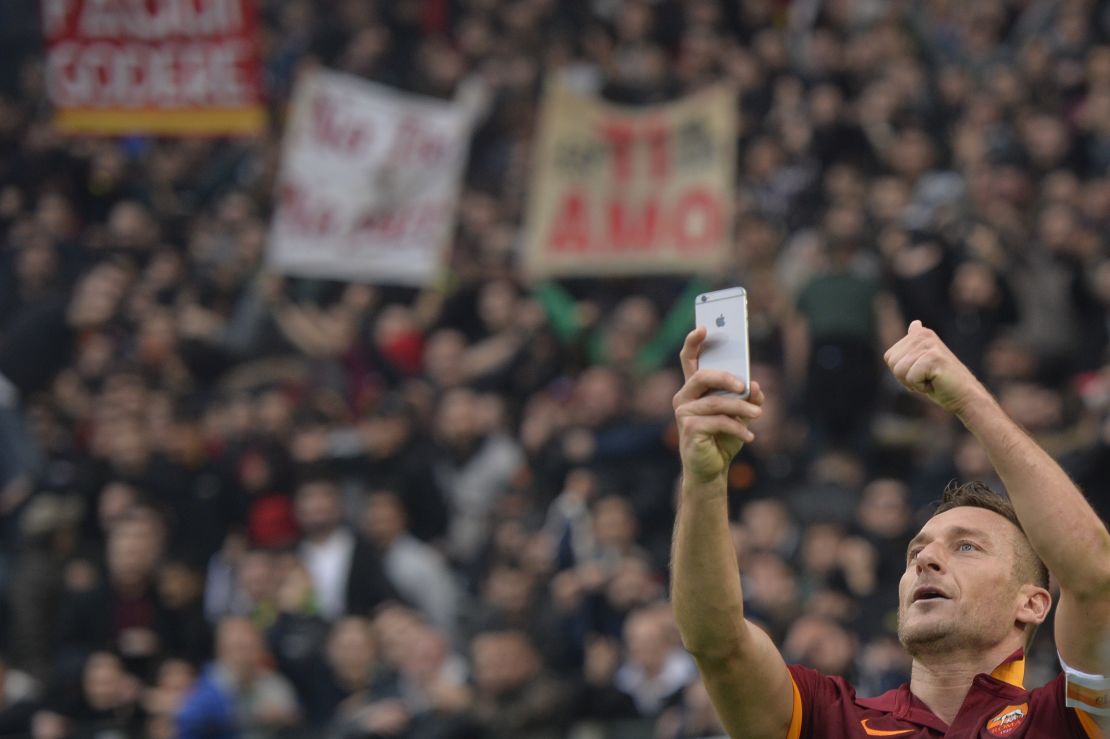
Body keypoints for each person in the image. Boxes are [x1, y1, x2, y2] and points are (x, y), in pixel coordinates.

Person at [671, 320, 1110, 738]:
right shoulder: (828, 721)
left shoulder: (1068, 720)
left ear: (1033, 604)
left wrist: (970, 401)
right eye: (915, 551)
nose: (926, 559)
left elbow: (1093, 574)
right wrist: (704, 478)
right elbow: (719, 646)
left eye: (968, 548)